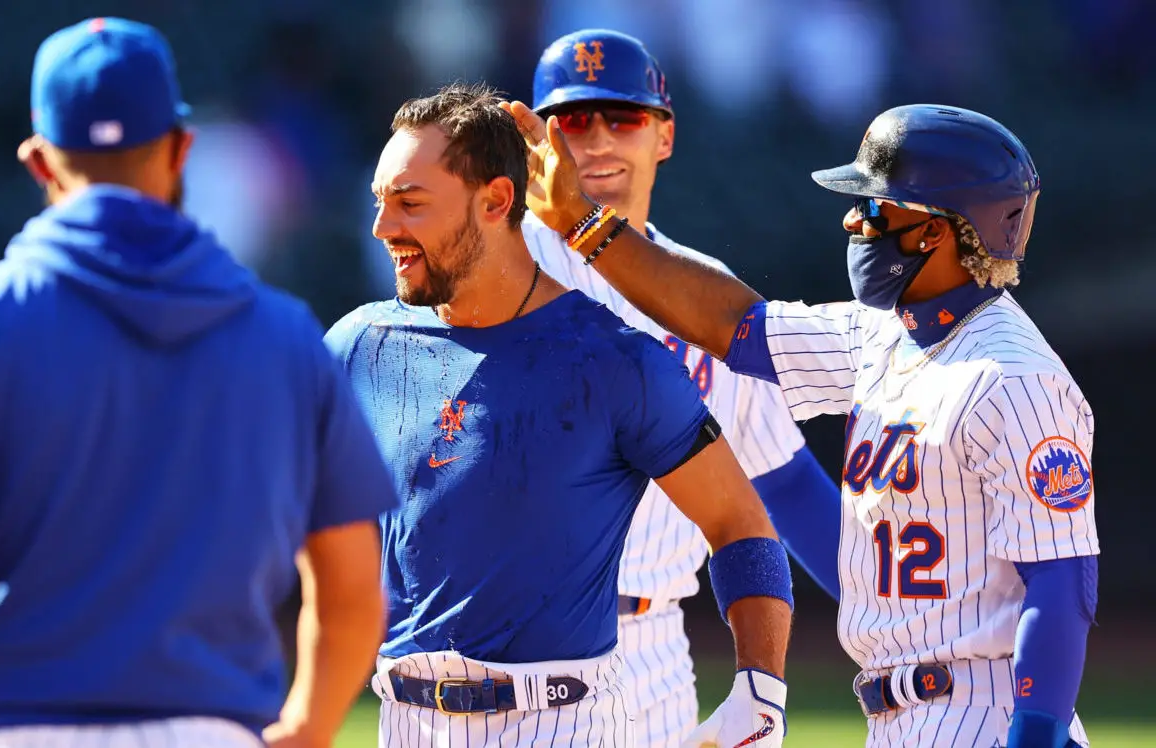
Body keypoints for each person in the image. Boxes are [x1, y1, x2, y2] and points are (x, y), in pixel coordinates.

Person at [504, 98, 1099, 747]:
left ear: (934, 230)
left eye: (875, 205)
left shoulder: (1014, 379)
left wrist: (1035, 733)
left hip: (985, 710)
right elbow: (731, 325)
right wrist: (587, 225)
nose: (853, 217)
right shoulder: (882, 337)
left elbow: (1062, 582)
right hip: (904, 712)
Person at [0, 17, 396, 748]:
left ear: (37, 161)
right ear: (182, 148)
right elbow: (350, 582)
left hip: (18, 727)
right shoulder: (283, 333)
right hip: (211, 730)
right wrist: (307, 728)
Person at [325, 81, 793, 748]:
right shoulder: (358, 345)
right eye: (381, 203)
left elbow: (739, 523)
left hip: (559, 725)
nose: (383, 227)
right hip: (403, 723)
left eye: (409, 203)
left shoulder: (613, 361)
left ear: (496, 200)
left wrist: (760, 689)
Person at [521, 30, 843, 746]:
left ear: (663, 136)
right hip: (515, 641)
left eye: (623, 118)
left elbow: (784, 482)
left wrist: (895, 617)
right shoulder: (498, 268)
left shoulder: (701, 291)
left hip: (654, 653)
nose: (597, 139)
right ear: (536, 140)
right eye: (572, 120)